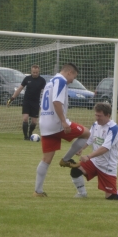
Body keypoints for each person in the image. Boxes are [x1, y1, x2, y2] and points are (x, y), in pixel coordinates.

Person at [33, 63, 90, 197]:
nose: (72, 81)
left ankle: (38, 191)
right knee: (87, 133)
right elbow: (57, 102)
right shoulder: (61, 81)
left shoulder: (50, 81)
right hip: (56, 123)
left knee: (47, 158)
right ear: (69, 72)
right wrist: (64, 121)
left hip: (45, 123)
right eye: (73, 77)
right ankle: (66, 159)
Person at [65, 102, 118, 201]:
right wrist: (82, 148)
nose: (97, 118)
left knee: (111, 197)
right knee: (75, 171)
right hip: (95, 162)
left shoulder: (113, 128)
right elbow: (90, 138)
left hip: (107, 165)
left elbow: (105, 148)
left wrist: (88, 156)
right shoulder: (95, 125)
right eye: (96, 115)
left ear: (108, 115)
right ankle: (82, 193)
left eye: (99, 116)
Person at [7, 65, 46, 140]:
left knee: (34, 122)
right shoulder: (27, 78)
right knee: (25, 119)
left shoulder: (42, 80)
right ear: (31, 71)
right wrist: (12, 98)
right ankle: (26, 137)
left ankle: (30, 133)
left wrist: (44, 103)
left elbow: (45, 92)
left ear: (39, 72)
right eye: (33, 72)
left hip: (36, 103)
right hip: (27, 101)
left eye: (36, 72)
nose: (35, 74)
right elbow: (19, 88)